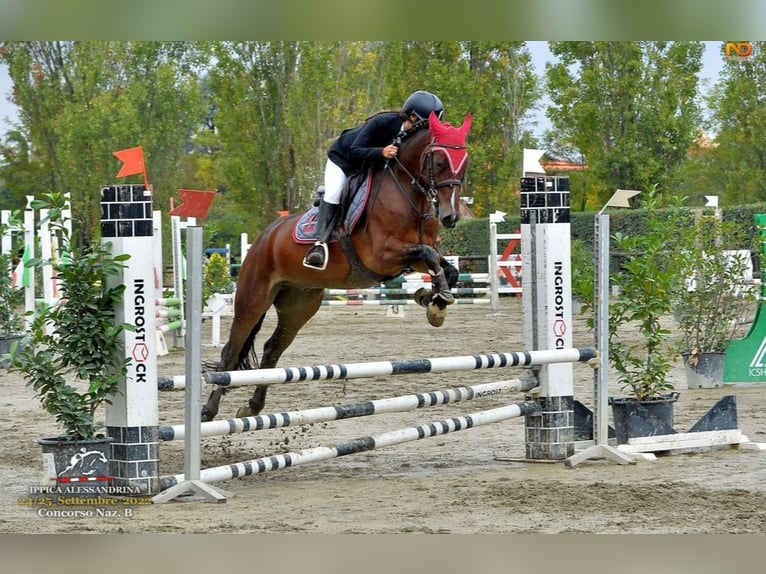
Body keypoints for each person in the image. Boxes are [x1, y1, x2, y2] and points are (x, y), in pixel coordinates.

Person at [303, 90, 445, 270]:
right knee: (334, 193)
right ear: (413, 117)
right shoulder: (383, 123)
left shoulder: (413, 137)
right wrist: (381, 152)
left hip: (370, 164)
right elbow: (355, 150)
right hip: (344, 159)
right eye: (427, 126)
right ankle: (319, 245)